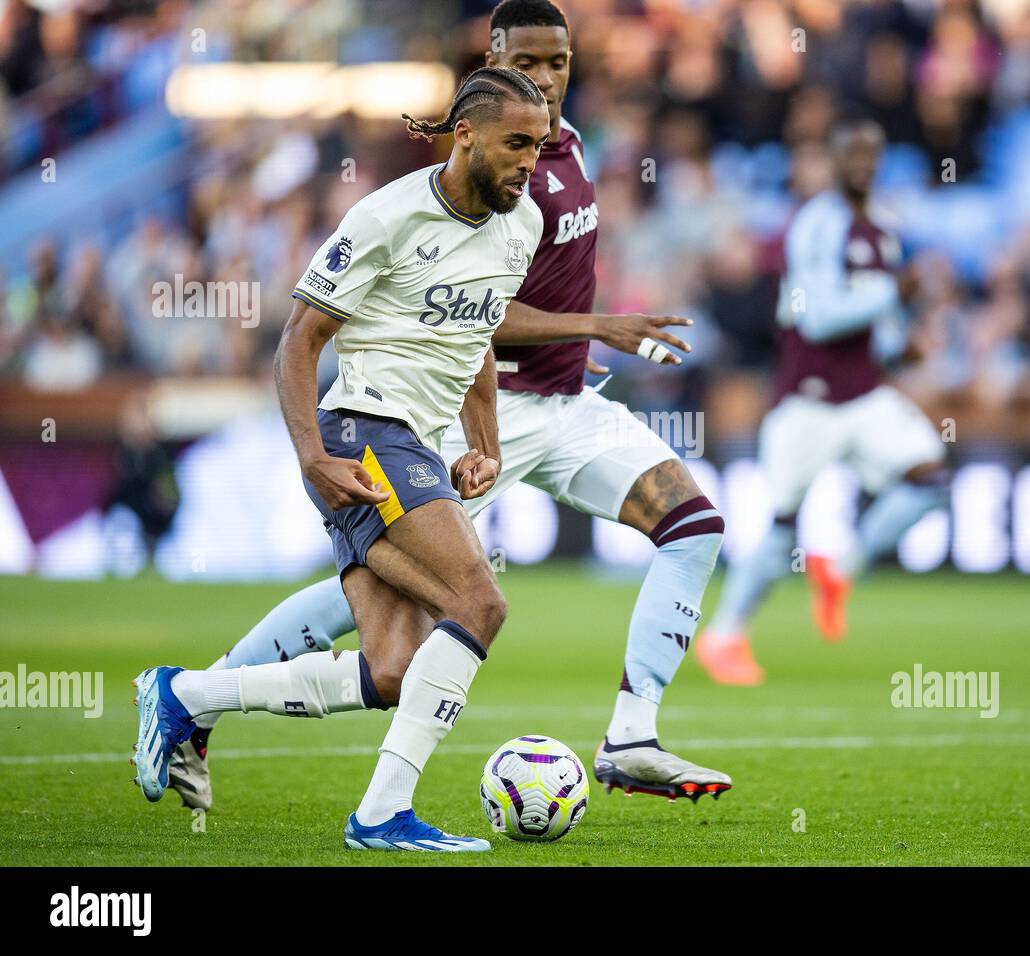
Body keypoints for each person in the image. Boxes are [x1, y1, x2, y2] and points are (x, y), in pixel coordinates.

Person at [165, 0, 730, 814]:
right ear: (493, 57)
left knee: (694, 527)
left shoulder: (555, 150)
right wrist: (597, 323)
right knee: (365, 600)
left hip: (567, 405)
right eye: (528, 63)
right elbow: (476, 315)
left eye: (559, 63)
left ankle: (631, 737)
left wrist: (584, 339)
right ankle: (204, 699)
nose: (546, 77)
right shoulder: (479, 172)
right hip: (466, 409)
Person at [132, 66, 551, 852]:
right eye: (517, 143)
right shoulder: (386, 216)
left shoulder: (519, 223)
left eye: (541, 145)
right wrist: (310, 456)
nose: (531, 162)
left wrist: (483, 445)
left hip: (420, 449)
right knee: (480, 603)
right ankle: (382, 814)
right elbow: (299, 342)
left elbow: (476, 339)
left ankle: (186, 694)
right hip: (365, 434)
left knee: (391, 671)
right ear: (465, 134)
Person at [695, 120, 949, 687]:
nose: (861, 162)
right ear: (834, 162)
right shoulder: (817, 225)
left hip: (863, 392)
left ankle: (841, 568)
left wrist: (897, 345)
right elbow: (818, 316)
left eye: (870, 152)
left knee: (931, 480)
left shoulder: (881, 227)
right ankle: (725, 636)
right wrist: (890, 295)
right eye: (851, 152)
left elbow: (874, 324)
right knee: (782, 526)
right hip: (807, 397)